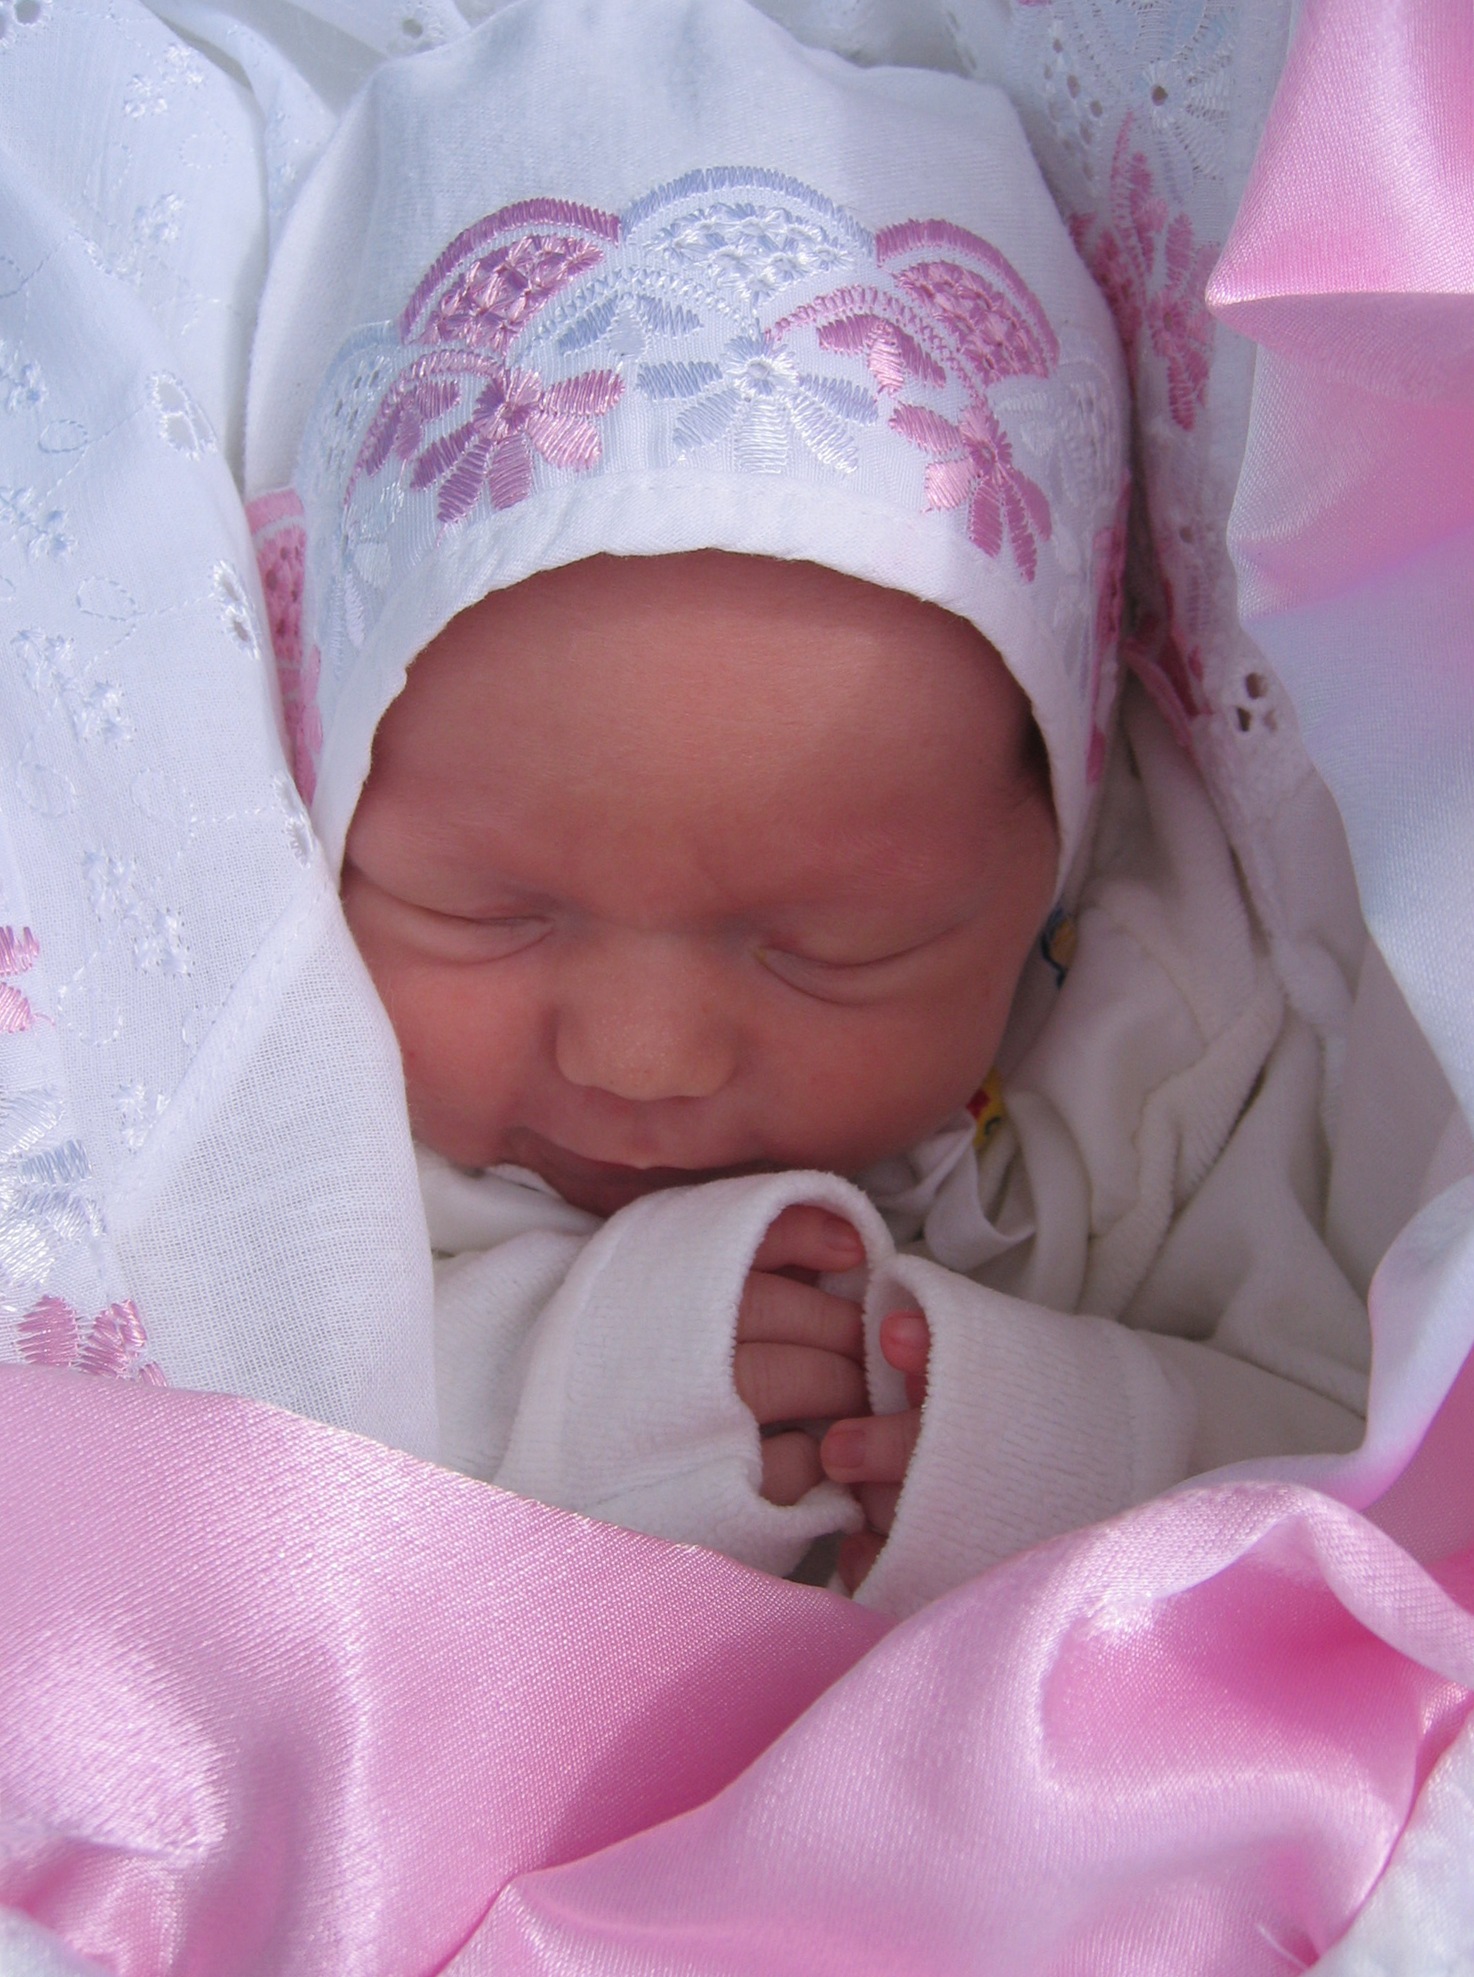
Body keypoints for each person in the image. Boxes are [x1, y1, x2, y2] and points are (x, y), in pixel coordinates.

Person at [245, 0, 1369, 1613]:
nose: (640, 1058)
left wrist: (1049, 1443)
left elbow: (1370, 1449)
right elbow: (223, 1456)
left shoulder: (1172, 1047)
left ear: (1053, 846)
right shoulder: (312, 1100)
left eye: (832, 948)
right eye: (485, 913)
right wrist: (594, 1384)